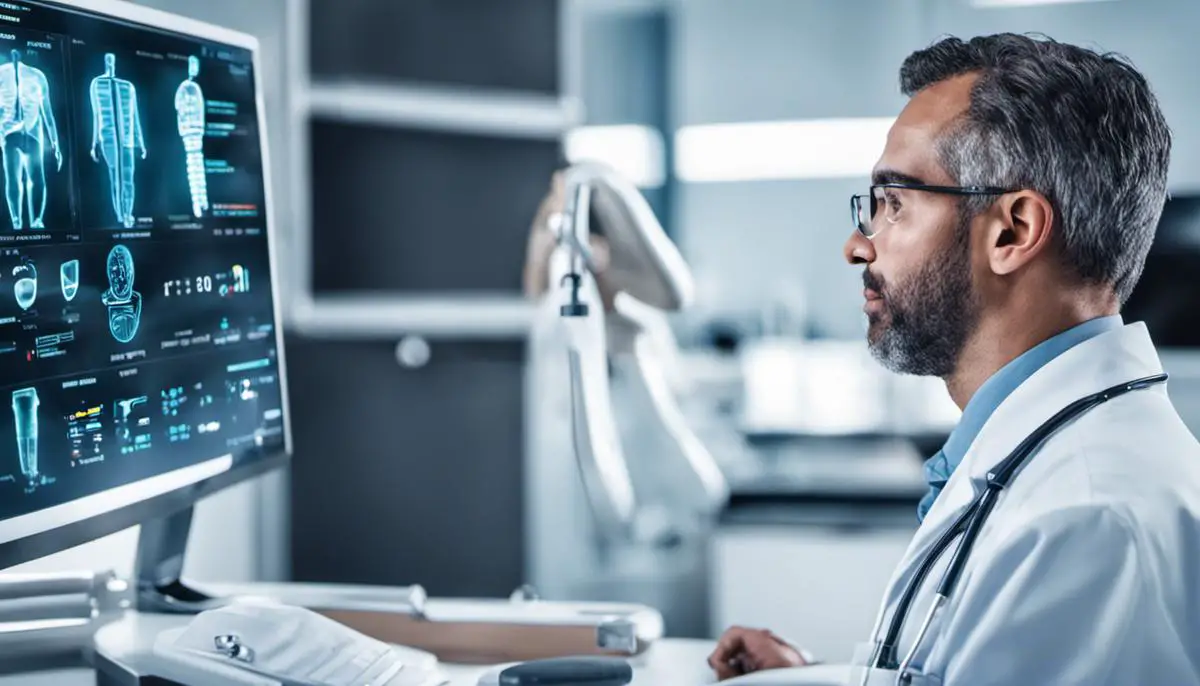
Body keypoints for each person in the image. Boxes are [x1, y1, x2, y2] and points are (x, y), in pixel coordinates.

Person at [524, 32, 1200, 685]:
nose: (857, 244)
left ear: (1012, 232)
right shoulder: (1050, 469)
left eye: (893, 204)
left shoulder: (1084, 522)